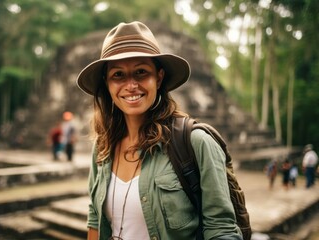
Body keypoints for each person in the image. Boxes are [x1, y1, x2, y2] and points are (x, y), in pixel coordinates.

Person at [76, 21, 243, 240]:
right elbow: (95, 218)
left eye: (141, 72)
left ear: (159, 77)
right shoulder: (103, 147)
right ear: (107, 84)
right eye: (118, 75)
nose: (131, 85)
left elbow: (221, 229)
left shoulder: (196, 143)